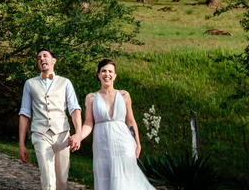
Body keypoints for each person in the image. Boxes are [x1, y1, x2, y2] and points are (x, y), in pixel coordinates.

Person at [76, 59, 158, 190]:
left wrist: (137, 143)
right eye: (103, 71)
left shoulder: (124, 95)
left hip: (123, 143)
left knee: (126, 179)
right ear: (98, 75)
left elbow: (130, 120)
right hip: (102, 146)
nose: (107, 74)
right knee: (105, 179)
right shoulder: (91, 98)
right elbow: (88, 123)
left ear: (115, 76)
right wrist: (78, 137)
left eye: (110, 71)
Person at [19, 47, 83, 190]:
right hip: (40, 134)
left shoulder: (65, 82)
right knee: (48, 179)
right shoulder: (30, 83)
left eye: (45, 56)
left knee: (62, 181)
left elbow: (74, 109)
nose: (41, 58)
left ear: (53, 61)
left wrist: (78, 133)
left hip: (62, 135)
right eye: (39, 57)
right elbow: (24, 113)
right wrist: (21, 144)